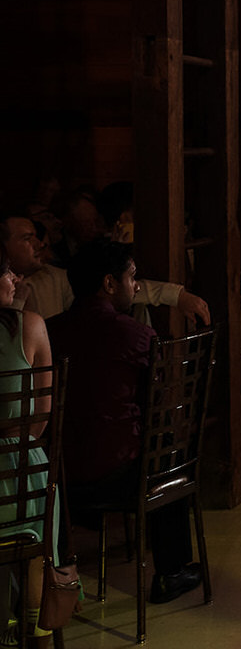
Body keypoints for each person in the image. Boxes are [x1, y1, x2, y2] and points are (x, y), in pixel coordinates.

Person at [45, 241, 203, 604]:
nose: (136, 286)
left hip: (59, 475)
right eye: (132, 277)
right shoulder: (134, 333)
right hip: (117, 473)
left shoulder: (50, 330)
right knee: (169, 453)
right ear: (108, 283)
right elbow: (158, 405)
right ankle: (170, 572)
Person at [1, 209, 211, 323]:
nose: (40, 244)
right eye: (28, 238)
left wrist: (176, 296)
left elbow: (113, 289)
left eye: (37, 237)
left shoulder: (52, 277)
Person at [0, 257, 56, 642]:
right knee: (32, 545)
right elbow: (41, 416)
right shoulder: (31, 325)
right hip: (18, 466)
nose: (16, 278)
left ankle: (3, 625)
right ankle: (33, 628)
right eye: (7, 272)